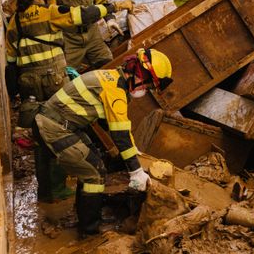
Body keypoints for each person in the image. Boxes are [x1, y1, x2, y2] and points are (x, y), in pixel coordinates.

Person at [5, 0, 130, 203]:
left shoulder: (16, 22)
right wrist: (113, 7)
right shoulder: (50, 12)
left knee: (40, 136)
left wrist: (15, 94)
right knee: (61, 130)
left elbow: (11, 63)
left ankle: (47, 191)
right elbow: (82, 15)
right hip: (53, 80)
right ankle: (63, 185)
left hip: (29, 84)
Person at [34, 48, 171, 237]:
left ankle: (86, 214)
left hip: (58, 123)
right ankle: (89, 230)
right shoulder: (115, 90)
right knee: (95, 174)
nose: (145, 90)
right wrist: (136, 171)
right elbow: (120, 135)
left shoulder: (112, 78)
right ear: (140, 74)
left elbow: (112, 124)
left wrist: (133, 152)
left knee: (94, 162)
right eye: (147, 85)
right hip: (54, 127)